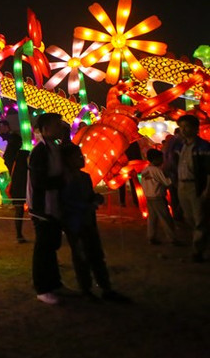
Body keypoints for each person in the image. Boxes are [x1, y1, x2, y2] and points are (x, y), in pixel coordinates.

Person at [59, 143, 130, 302]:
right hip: (75, 224)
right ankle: (86, 289)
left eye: (81, 155)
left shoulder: (85, 177)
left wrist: (96, 198)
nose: (81, 158)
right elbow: (65, 202)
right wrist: (87, 205)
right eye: (77, 156)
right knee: (81, 256)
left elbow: (89, 195)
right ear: (67, 160)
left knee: (97, 254)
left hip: (88, 221)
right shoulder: (64, 180)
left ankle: (105, 288)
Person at [27, 112, 70, 304]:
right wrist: (63, 181)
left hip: (52, 204)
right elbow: (39, 181)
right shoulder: (40, 151)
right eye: (56, 125)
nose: (60, 128)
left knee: (51, 245)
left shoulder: (53, 147)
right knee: (43, 247)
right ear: (44, 129)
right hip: (42, 207)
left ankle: (54, 283)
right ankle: (42, 288)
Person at [166, 113, 210, 262]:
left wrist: (206, 190)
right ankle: (200, 243)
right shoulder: (180, 146)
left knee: (199, 219)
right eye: (181, 127)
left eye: (187, 127)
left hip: (196, 186)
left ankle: (198, 252)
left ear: (196, 129)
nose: (183, 130)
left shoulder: (204, 147)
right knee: (188, 217)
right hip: (182, 185)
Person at [140, 148, 179, 245]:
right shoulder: (157, 170)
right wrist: (173, 177)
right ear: (155, 159)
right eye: (161, 158)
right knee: (166, 218)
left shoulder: (145, 171)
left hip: (149, 197)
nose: (162, 161)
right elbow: (167, 182)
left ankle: (151, 236)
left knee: (152, 218)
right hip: (158, 197)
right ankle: (172, 238)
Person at [3, 131, 29, 243]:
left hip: (15, 186)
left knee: (19, 211)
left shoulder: (7, 156)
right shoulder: (23, 155)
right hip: (25, 184)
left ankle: (19, 234)